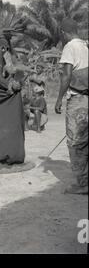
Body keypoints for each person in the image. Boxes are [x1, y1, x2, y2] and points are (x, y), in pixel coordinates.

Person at [55, 18, 88, 195]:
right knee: (86, 140)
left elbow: (66, 76)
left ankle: (83, 184)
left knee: (76, 142)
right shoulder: (86, 45)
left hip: (78, 100)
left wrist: (59, 99)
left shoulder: (70, 47)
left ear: (63, 32)